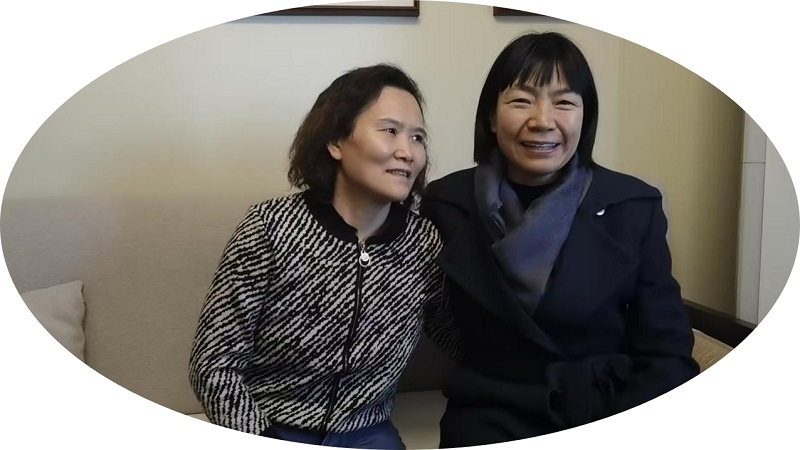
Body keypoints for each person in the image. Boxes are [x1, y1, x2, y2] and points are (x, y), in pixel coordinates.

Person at [421, 31, 700, 447]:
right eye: (521, 100)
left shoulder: (632, 205)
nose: (542, 120)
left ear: (585, 118)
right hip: (488, 411)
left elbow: (667, 352)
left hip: (606, 407)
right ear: (492, 117)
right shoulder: (446, 202)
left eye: (564, 102)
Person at [189, 63, 443, 449]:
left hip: (366, 432)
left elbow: (461, 336)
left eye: (418, 137)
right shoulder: (270, 227)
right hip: (267, 425)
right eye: (390, 131)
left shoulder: (424, 242)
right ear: (336, 141)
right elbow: (213, 363)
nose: (407, 152)